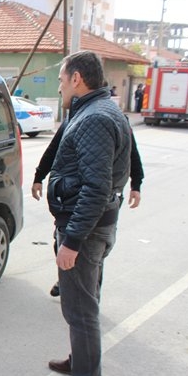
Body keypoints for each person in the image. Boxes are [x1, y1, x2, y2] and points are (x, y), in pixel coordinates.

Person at [42, 51, 132, 376]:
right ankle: (80, 361)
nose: (60, 86)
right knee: (83, 302)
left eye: (62, 80)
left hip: (86, 230)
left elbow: (96, 187)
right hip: (98, 224)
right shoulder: (102, 110)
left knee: (80, 308)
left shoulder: (95, 118)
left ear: (77, 78)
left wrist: (72, 242)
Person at [32, 113, 144, 297]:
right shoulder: (74, 118)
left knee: (94, 254)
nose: (61, 89)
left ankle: (90, 297)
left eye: (63, 82)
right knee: (62, 243)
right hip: (72, 199)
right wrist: (39, 176)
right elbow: (54, 149)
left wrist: (136, 184)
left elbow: (131, 152)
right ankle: (68, 278)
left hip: (102, 200)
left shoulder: (113, 120)